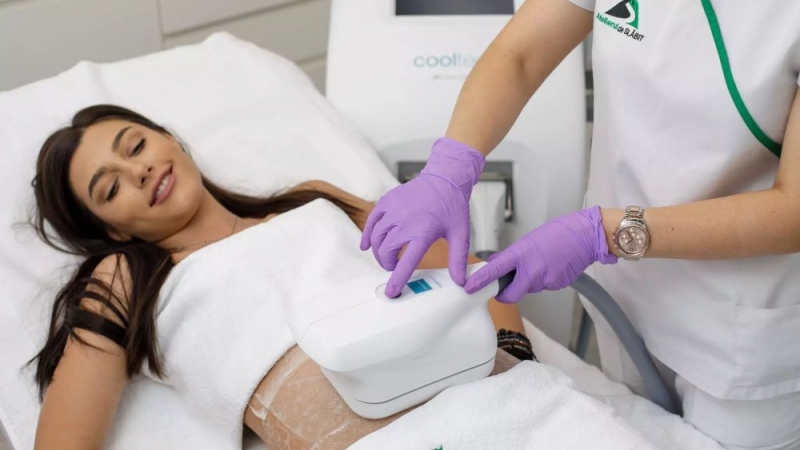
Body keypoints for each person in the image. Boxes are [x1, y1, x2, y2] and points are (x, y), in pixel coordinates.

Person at [360, 0, 800, 448]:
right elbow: (520, 55)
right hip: (625, 297)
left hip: (741, 332)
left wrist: (603, 234)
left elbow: (794, 209)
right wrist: (449, 166)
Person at [29, 105, 532, 450]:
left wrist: (518, 361)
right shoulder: (127, 279)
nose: (137, 171)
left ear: (170, 138)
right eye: (111, 188)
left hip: (500, 396)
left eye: (136, 146)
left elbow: (467, 270)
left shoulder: (315, 200)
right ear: (113, 231)